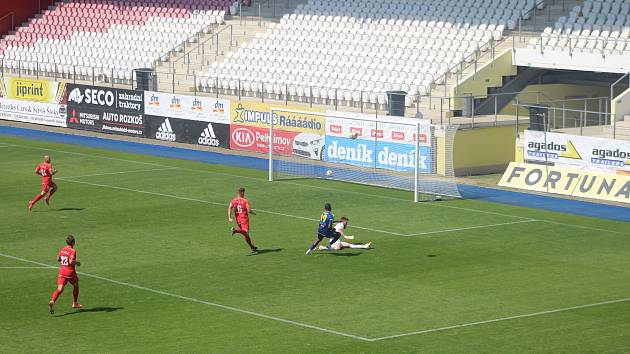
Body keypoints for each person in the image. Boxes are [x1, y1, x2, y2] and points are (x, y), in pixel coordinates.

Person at [49, 235, 82, 314]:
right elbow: (71, 262)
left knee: (60, 289)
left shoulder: (63, 249)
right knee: (76, 285)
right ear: (73, 242)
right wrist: (77, 263)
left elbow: (58, 259)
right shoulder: (72, 251)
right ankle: (75, 303)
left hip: (62, 272)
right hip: (70, 272)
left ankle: (52, 300)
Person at [228, 187, 258, 253]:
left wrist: (229, 217)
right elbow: (249, 210)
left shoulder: (233, 200)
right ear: (241, 192)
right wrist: (254, 213)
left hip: (238, 220)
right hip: (244, 218)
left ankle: (252, 247)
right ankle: (235, 230)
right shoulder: (245, 200)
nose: (244, 194)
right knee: (245, 232)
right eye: (244, 192)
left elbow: (229, 207)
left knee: (246, 234)